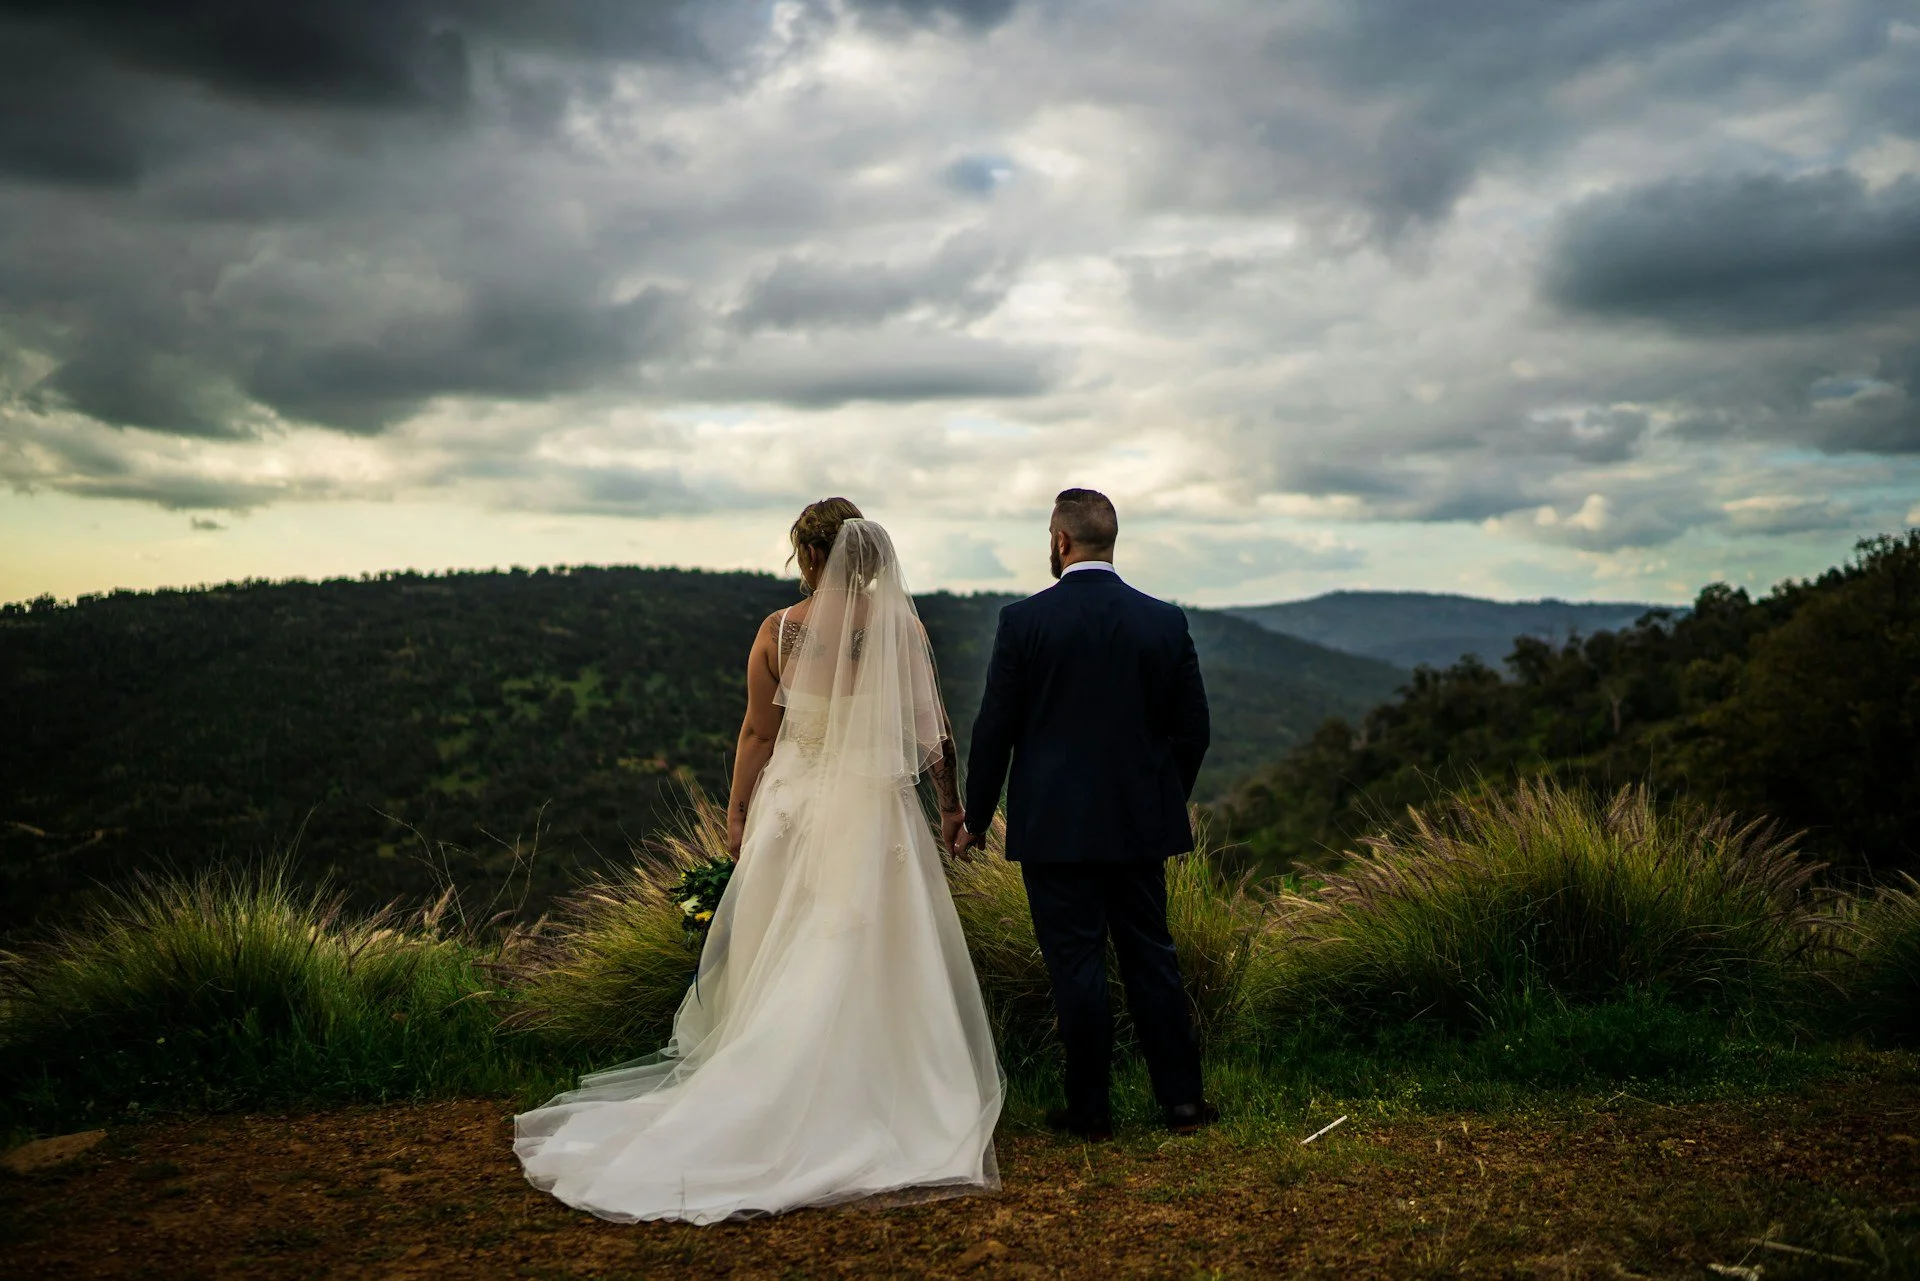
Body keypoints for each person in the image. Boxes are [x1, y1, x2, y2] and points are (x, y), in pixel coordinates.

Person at [515, 499, 1004, 1223]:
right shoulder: (903, 627)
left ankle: (772, 1076)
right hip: (875, 811)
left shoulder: (779, 631)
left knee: (786, 938)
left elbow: (756, 731)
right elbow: (935, 733)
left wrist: (739, 812)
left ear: (806, 555)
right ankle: (876, 1087)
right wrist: (952, 806)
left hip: (794, 808)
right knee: (870, 943)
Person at [954, 487, 1215, 1140]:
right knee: (1152, 958)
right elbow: (1194, 732)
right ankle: (1182, 1102)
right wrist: (1158, 797)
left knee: (1076, 965)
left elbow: (995, 730)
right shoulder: (1165, 621)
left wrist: (977, 816)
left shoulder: (1023, 622)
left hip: (1054, 829)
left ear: (1060, 541)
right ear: (1111, 540)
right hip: (1138, 826)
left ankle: (1090, 1108)